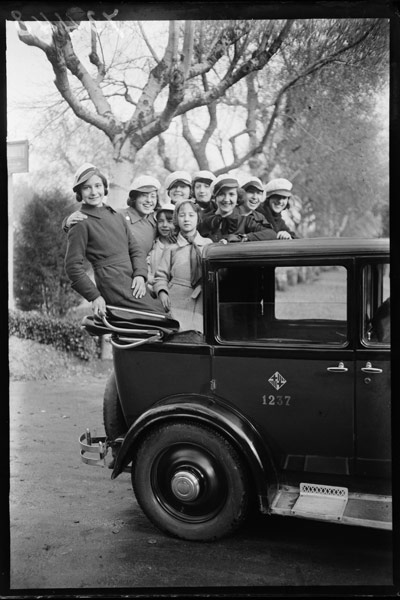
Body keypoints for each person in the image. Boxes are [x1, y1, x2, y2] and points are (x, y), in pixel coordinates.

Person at [64, 163, 164, 319]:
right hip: (113, 284)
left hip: (133, 280)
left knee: (164, 315)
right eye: (87, 188)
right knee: (160, 319)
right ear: (79, 192)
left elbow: (135, 249)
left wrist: (140, 275)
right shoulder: (81, 222)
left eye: (97, 186)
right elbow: (72, 266)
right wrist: (94, 296)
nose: (94, 192)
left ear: (104, 188)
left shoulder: (116, 216)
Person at [153, 198, 212, 333]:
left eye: (191, 215)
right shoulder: (171, 248)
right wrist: (162, 292)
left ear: (198, 218)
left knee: (199, 335)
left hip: (202, 300)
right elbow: (160, 276)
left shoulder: (208, 245)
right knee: (179, 336)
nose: (186, 219)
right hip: (177, 300)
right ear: (176, 219)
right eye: (182, 215)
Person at [62, 174, 161, 255]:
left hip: (146, 275)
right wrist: (67, 223)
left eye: (153, 196)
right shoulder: (118, 214)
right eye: (144, 196)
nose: (149, 200)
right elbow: (90, 223)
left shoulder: (156, 220)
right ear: (134, 197)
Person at [198, 174, 276, 243]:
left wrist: (242, 237)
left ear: (238, 198)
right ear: (215, 198)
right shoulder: (204, 220)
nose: (226, 199)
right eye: (221, 194)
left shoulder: (245, 221)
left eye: (231, 194)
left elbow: (271, 233)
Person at [147, 202, 176, 295]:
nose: (164, 225)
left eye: (169, 221)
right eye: (160, 221)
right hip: (152, 289)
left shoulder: (179, 246)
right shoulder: (153, 244)